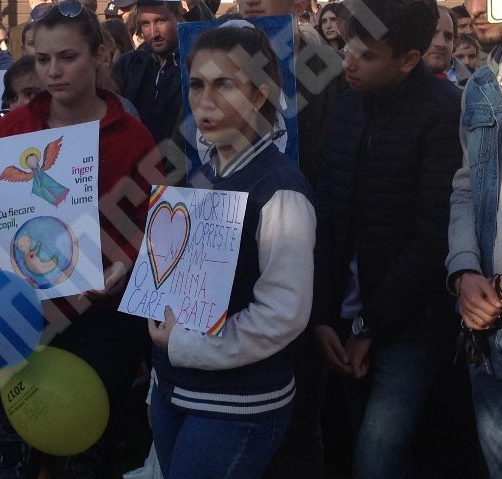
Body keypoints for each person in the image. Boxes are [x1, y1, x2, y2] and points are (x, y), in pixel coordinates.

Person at [0, 2, 160, 476]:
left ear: (101, 55)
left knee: (86, 454)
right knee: (9, 450)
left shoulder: (133, 137)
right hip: (22, 318)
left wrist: (127, 265)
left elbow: (156, 226)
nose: (53, 71)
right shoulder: (13, 130)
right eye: (42, 59)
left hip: (101, 324)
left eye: (68, 57)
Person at [148, 23, 315, 479]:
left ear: (259, 95)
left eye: (225, 84)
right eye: (198, 84)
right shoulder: (206, 177)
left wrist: (186, 344)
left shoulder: (279, 189)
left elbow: (284, 313)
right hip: (175, 389)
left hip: (237, 404)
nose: (205, 100)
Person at [312, 1, 466, 478]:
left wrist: (368, 328)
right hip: (342, 321)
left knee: (379, 456)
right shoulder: (343, 108)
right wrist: (323, 318)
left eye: (367, 54)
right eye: (346, 47)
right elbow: (327, 220)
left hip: (410, 327)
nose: (348, 61)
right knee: (352, 444)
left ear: (409, 59)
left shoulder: (443, 112)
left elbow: (432, 239)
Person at [447, 0, 502, 476]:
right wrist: (463, 271)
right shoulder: (478, 85)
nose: (475, 7)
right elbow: (466, 185)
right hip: (490, 332)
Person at [113, 0, 184, 145]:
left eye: (160, 21)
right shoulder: (128, 65)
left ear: (179, 17)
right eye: (145, 23)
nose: (153, 33)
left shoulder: (194, 64)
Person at [423, 5, 471, 88]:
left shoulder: (473, 92)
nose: (441, 43)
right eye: (432, 34)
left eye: (448, 37)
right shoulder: (394, 91)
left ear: (455, 42)